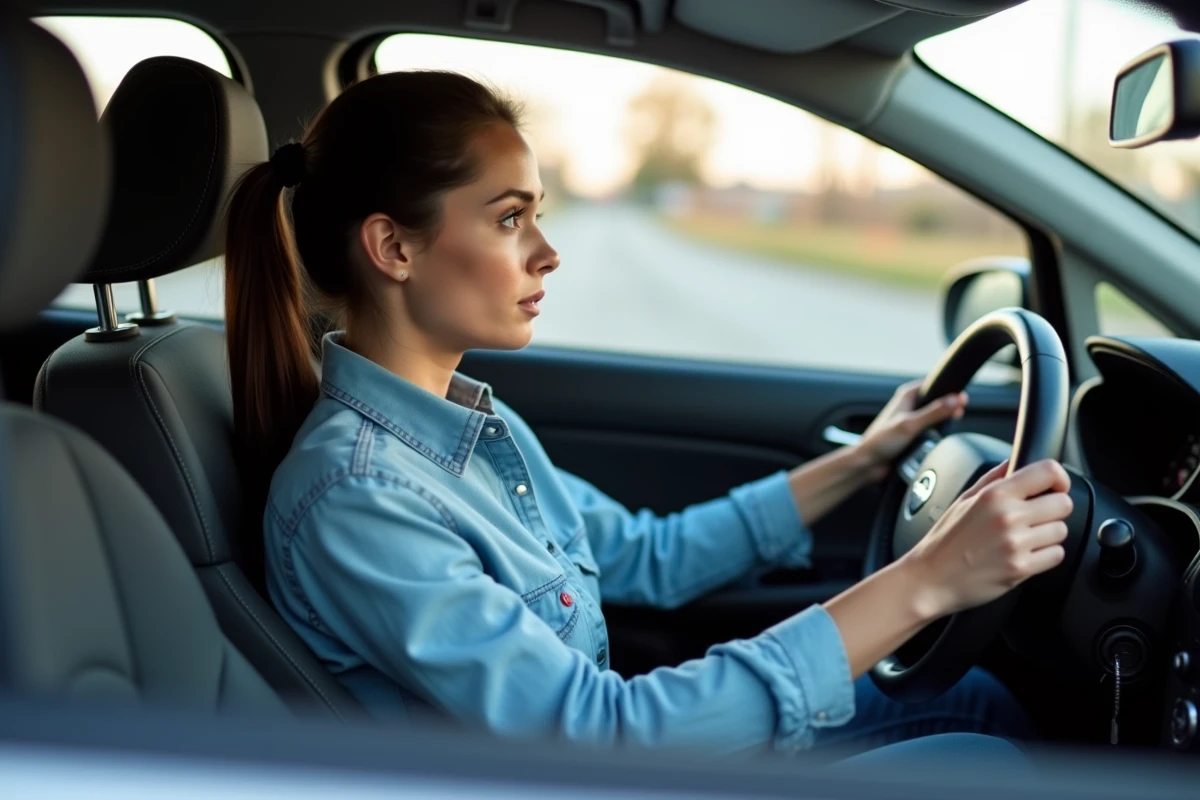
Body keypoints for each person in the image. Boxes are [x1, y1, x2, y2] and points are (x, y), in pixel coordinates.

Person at [223, 70, 1072, 758]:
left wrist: (864, 458)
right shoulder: (356, 498)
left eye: (537, 215)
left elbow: (650, 557)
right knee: (982, 759)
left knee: (974, 699)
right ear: (393, 248)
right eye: (509, 217)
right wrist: (928, 581)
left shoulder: (475, 429)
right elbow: (600, 736)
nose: (546, 253)